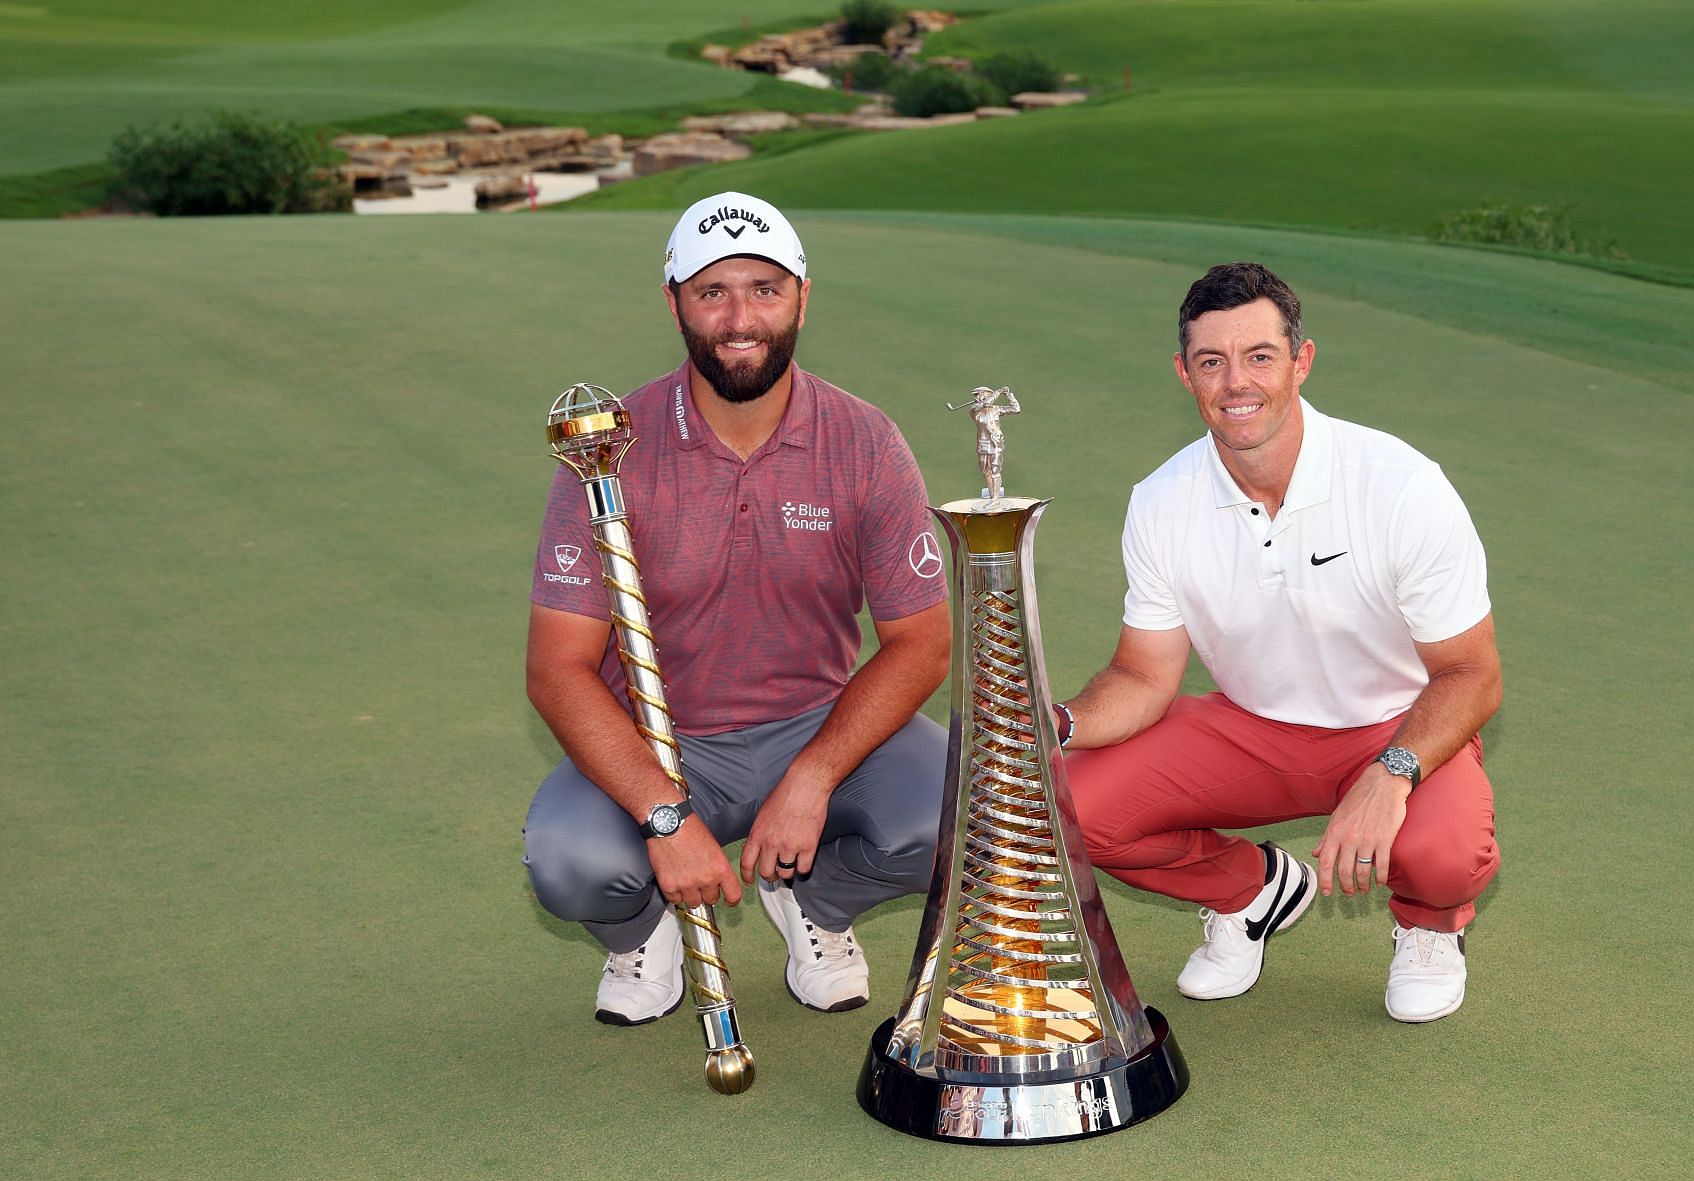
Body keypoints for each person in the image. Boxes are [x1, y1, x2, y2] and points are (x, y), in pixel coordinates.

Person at [522, 191, 950, 1025]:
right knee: (568, 861)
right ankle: (643, 932)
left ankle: (815, 905)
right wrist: (664, 812)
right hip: (659, 736)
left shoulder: (865, 441)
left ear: (802, 296)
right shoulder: (607, 445)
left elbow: (921, 646)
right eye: (712, 292)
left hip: (814, 724)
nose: (740, 316)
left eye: (764, 288)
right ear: (675, 302)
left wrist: (815, 776)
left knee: (956, 819)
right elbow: (557, 669)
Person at [1055, 262, 1501, 1023]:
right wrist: (1051, 723)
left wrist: (1390, 774)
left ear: (1301, 361)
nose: (1237, 382)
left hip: (1395, 728)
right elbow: (1142, 675)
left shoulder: (1400, 484)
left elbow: (1471, 675)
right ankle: (1252, 892)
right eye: (1211, 362)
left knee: (1443, 856)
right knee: (1066, 805)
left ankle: (1429, 928)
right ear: (1183, 374)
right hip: (1250, 729)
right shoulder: (1162, 500)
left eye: (1260, 356)